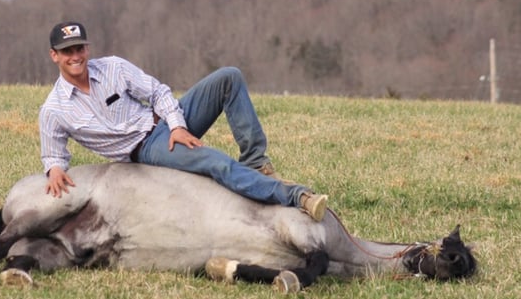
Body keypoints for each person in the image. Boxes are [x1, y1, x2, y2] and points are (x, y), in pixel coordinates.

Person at [38, 21, 328, 221]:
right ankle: (295, 196)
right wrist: (53, 169)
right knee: (215, 162)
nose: (75, 56)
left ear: (87, 49)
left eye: (80, 49)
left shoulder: (113, 67)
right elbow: (53, 152)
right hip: (146, 148)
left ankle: (256, 162)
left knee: (229, 76)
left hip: (167, 120)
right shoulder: (54, 109)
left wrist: (177, 125)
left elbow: (158, 92)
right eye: (67, 51)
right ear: (55, 56)